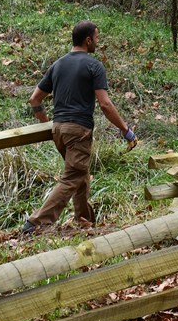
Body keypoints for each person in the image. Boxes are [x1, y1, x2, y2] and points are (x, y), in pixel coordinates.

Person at [21, 21, 137, 234]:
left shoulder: (58, 65)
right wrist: (125, 130)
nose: (98, 43)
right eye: (97, 38)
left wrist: (47, 124)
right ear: (88, 40)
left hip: (58, 130)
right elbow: (105, 104)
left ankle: (85, 222)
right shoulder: (94, 66)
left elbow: (35, 99)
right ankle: (35, 224)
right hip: (78, 131)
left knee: (80, 176)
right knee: (73, 177)